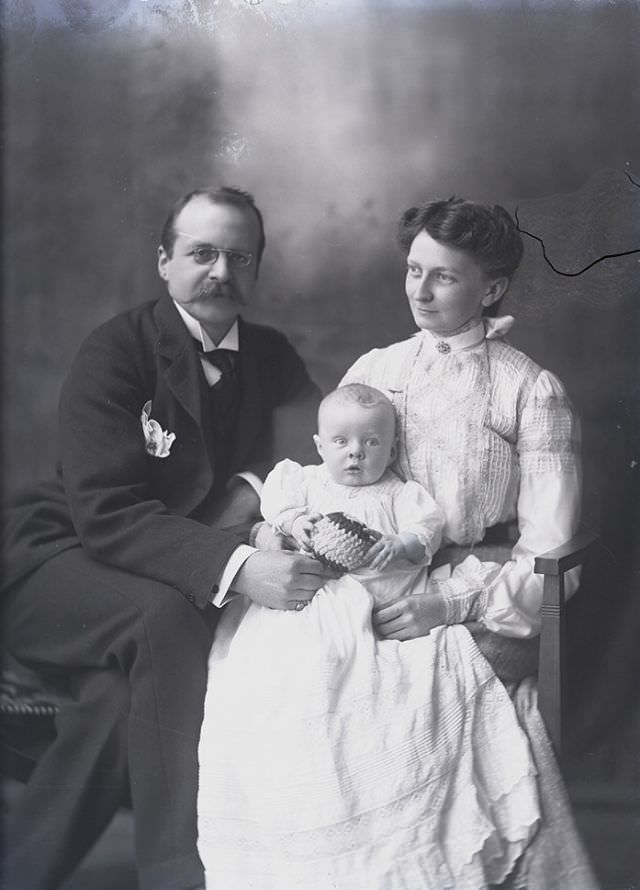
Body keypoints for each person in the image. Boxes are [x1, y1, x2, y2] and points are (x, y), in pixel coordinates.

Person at [1, 186, 334, 890]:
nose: (220, 271)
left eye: (238, 257)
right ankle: (176, 874)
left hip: (153, 570)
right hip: (58, 562)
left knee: (114, 707)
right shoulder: (117, 351)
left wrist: (256, 499)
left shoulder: (272, 356)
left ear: (257, 269)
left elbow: (310, 459)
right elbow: (106, 515)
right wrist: (238, 561)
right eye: (201, 253)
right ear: (164, 261)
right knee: (167, 618)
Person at [341, 197, 599, 888]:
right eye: (413, 270)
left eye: (444, 278)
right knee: (304, 666)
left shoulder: (531, 390)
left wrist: (448, 605)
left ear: (490, 289)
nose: (419, 292)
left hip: (484, 596)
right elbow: (340, 492)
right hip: (381, 579)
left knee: (409, 690)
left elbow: (552, 559)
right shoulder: (377, 369)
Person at [196, 383, 544, 890]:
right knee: (287, 672)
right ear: (319, 446)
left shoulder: (401, 495)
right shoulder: (307, 484)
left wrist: (401, 544)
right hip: (317, 601)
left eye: (371, 443)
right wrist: (297, 523)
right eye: (341, 442)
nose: (356, 453)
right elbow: (276, 506)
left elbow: (427, 530)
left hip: (383, 607)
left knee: (381, 690)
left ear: (391, 447)